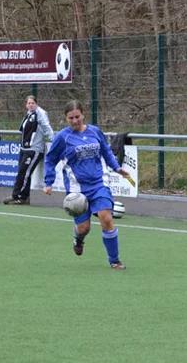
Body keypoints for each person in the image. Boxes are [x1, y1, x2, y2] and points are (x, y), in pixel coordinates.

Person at [43, 99, 131, 269]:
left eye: (77, 117)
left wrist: (117, 168)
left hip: (99, 183)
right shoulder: (62, 137)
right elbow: (50, 159)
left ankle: (114, 260)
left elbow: (106, 151)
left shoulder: (94, 131)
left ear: (83, 115)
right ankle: (79, 238)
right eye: (71, 118)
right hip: (77, 190)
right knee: (84, 228)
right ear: (66, 118)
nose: (74, 121)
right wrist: (48, 182)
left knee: (106, 218)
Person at [4, 95, 54, 205]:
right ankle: (22, 196)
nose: (31, 105)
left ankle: (18, 196)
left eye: (33, 103)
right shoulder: (28, 114)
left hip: (34, 149)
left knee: (24, 172)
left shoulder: (40, 113)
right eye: (29, 103)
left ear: (36, 104)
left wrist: (54, 141)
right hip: (24, 148)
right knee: (22, 172)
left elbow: (47, 127)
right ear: (26, 105)